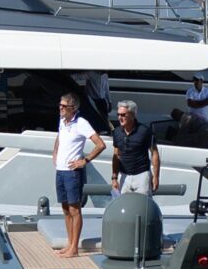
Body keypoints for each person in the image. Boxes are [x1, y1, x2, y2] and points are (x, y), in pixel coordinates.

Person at [52, 93, 105, 258]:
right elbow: (59, 138)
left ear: (73, 108)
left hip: (73, 173)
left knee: (75, 209)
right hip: (60, 170)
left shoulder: (81, 123)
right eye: (60, 105)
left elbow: (100, 144)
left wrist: (85, 160)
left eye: (63, 106)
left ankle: (74, 248)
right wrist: (55, 154)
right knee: (65, 208)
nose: (60, 108)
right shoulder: (63, 121)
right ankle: (70, 243)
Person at [110, 100, 159, 196]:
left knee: (143, 206)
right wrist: (114, 178)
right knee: (124, 205)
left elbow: (155, 153)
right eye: (118, 114)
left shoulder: (145, 131)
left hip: (142, 175)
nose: (120, 117)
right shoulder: (116, 132)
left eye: (123, 115)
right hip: (124, 175)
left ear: (132, 115)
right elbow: (116, 155)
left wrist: (156, 176)